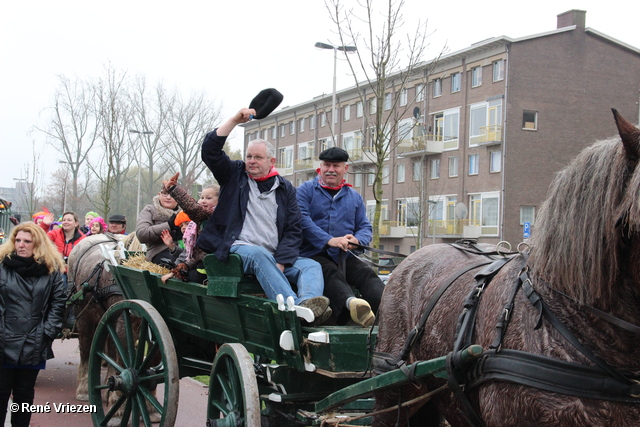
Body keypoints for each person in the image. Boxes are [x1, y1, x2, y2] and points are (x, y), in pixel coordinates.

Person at [194, 108, 330, 323]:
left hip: (274, 255)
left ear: (271, 161)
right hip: (239, 250)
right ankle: (292, 309)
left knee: (311, 266)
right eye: (249, 156)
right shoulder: (234, 175)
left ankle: (308, 307)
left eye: (258, 157)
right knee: (258, 254)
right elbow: (209, 150)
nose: (252, 161)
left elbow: (294, 229)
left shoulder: (285, 189)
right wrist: (234, 120)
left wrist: (283, 261)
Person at [296, 147, 384, 327]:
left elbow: (365, 226)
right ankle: (352, 307)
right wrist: (329, 240)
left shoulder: (354, 197)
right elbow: (302, 221)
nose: (330, 169)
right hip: (312, 254)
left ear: (346, 169)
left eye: (336, 166)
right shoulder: (305, 191)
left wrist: (357, 241)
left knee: (367, 275)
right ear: (320, 167)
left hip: (345, 255)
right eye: (326, 165)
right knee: (330, 273)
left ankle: (388, 311)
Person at [0, 222, 67, 427]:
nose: (21, 245)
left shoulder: (52, 270)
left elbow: (58, 303)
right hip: (3, 338)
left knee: (24, 395)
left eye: (27, 241)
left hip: (34, 339)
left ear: (37, 244)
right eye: (17, 240)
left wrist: (47, 332)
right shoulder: (2, 266)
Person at [161, 177, 218, 284]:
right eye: (201, 197)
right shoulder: (196, 225)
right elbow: (191, 254)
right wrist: (177, 269)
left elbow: (192, 208)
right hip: (202, 264)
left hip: (211, 269)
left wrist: (174, 189)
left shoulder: (215, 217)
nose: (203, 201)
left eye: (208, 198)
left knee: (189, 277)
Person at [135, 187, 183, 267]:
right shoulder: (150, 210)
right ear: (159, 194)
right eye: (165, 193)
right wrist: (169, 225)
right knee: (173, 264)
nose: (168, 197)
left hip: (183, 251)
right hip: (158, 251)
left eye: (173, 195)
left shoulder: (185, 212)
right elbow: (141, 234)